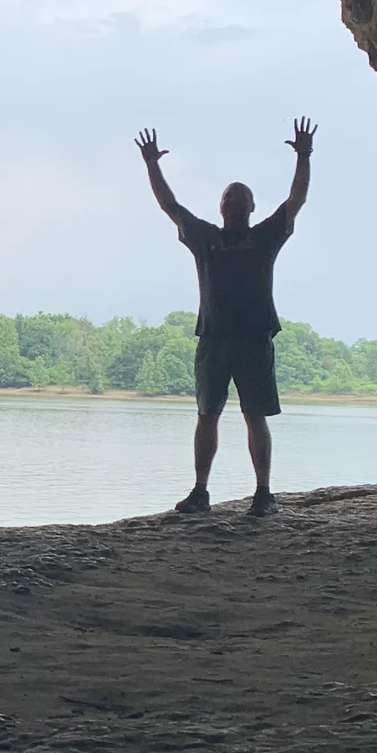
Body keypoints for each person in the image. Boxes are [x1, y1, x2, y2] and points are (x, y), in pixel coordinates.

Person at [135, 119, 315, 516]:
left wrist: (304, 156)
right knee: (207, 416)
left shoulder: (266, 236)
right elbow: (170, 206)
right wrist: (152, 165)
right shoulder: (206, 238)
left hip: (253, 340)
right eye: (229, 202)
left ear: (251, 208)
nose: (233, 206)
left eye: (240, 202)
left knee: (255, 416)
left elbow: (296, 200)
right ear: (222, 208)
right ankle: (201, 491)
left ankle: (263, 493)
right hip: (213, 340)